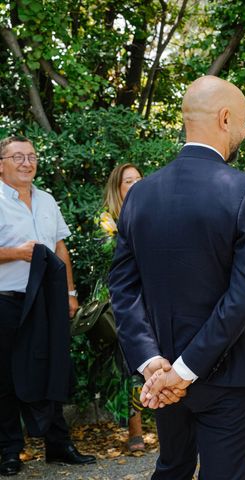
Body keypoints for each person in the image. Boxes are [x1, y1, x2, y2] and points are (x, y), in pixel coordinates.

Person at [109, 76, 245, 480]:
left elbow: (123, 289)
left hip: (161, 372)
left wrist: (152, 364)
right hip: (225, 376)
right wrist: (184, 370)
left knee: (173, 469)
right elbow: (243, 294)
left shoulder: (141, 194)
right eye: (244, 121)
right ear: (225, 117)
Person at [0, 136, 96, 476]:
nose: (27, 162)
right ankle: (10, 451)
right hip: (6, 302)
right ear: (1, 163)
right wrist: (16, 253)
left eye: (31, 156)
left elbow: (59, 249)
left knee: (53, 368)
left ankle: (58, 445)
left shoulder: (47, 199)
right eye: (18, 157)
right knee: (6, 378)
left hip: (46, 302)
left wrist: (70, 294)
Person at [99, 163, 145, 452]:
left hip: (151, 297)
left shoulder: (149, 211)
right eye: (129, 181)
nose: (135, 184)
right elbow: (109, 253)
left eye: (139, 179)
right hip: (120, 303)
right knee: (129, 366)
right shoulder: (107, 219)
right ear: (117, 187)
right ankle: (135, 431)